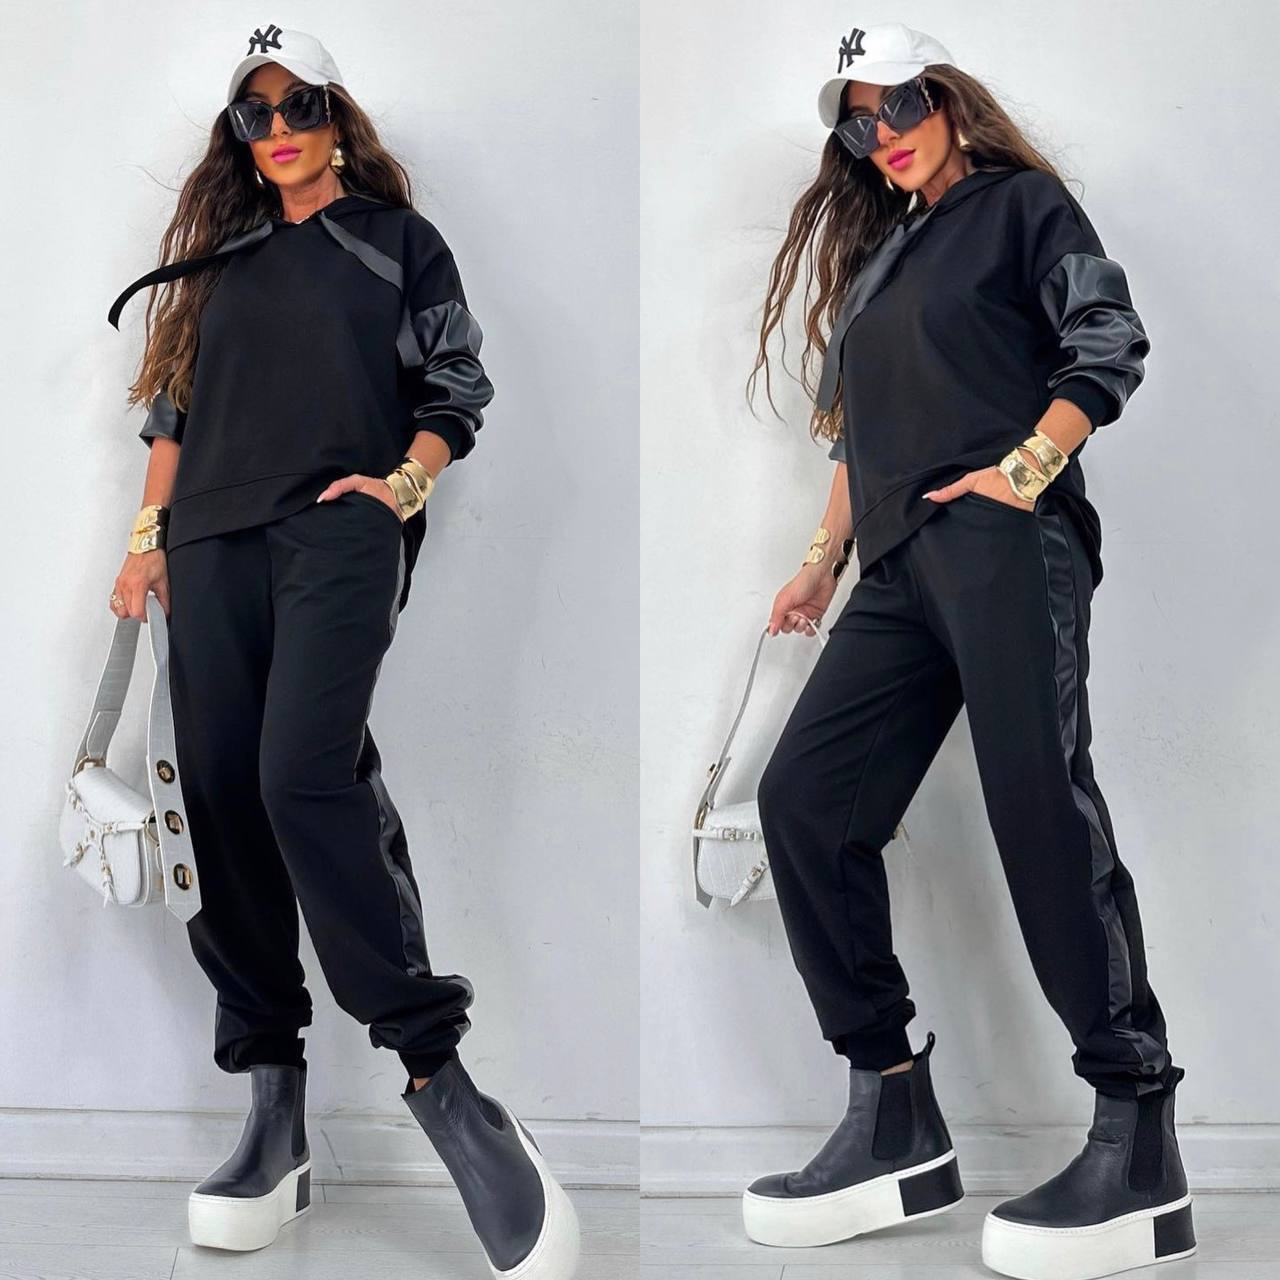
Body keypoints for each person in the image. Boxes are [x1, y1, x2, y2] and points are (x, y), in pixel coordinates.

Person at [106, 25, 580, 1279]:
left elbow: (456, 387)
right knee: (221, 797)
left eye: (298, 106)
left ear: (335, 114)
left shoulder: (396, 241)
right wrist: (144, 540)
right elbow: (171, 412)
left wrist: (398, 487)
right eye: (253, 115)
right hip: (208, 542)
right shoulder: (213, 260)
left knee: (302, 773)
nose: (278, 131)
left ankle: (440, 1075)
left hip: (337, 528)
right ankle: (273, 1104)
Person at [739, 23, 1193, 1280]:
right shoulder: (879, 258)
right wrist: (820, 558)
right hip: (894, 565)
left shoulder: (1022, 207)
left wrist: (1026, 467)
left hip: (1002, 540)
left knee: (1037, 803)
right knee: (803, 801)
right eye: (857, 120)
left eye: (899, 105)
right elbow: (859, 434)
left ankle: (1135, 1129)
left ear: (945, 98)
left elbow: (1106, 336)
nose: (880, 133)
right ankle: (891, 1105)